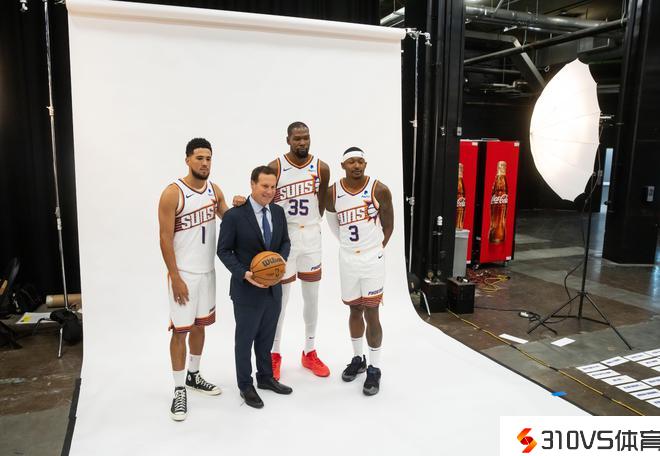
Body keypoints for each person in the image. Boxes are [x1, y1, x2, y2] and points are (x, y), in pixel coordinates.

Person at [158, 137, 228, 421]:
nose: (204, 163)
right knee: (180, 331)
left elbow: (230, 219)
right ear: (187, 159)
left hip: (207, 272)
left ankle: (194, 375)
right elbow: (164, 239)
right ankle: (178, 389)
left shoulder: (214, 191)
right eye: (199, 158)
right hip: (184, 274)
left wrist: (241, 206)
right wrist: (175, 277)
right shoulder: (173, 193)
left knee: (200, 326)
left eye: (208, 158)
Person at [217, 166, 293, 409]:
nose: (269, 191)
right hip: (247, 289)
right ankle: (245, 385)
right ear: (252, 184)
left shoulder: (278, 212)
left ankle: (266, 377)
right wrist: (244, 273)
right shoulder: (235, 216)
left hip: (273, 288)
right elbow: (223, 250)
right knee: (245, 339)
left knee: (266, 337)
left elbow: (285, 242)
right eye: (264, 186)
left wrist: (279, 262)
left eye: (273, 187)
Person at [325, 147, 393, 396]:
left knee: (372, 311)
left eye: (360, 161)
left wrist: (374, 249)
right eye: (351, 162)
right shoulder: (333, 192)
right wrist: (350, 247)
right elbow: (334, 226)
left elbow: (389, 226)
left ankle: (374, 368)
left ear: (365, 164)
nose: (356, 165)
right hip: (347, 259)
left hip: (372, 258)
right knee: (354, 309)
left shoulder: (379, 189)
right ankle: (358, 359)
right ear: (343, 165)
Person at [268, 121, 331, 380]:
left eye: (306, 138)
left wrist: (312, 224)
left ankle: (310, 351)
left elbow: (321, 204)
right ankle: (274, 353)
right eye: (297, 138)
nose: (302, 142)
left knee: (312, 297)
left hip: (312, 236)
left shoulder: (322, 168)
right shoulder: (276, 167)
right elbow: (267, 203)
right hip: (286, 236)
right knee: (280, 300)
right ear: (288, 140)